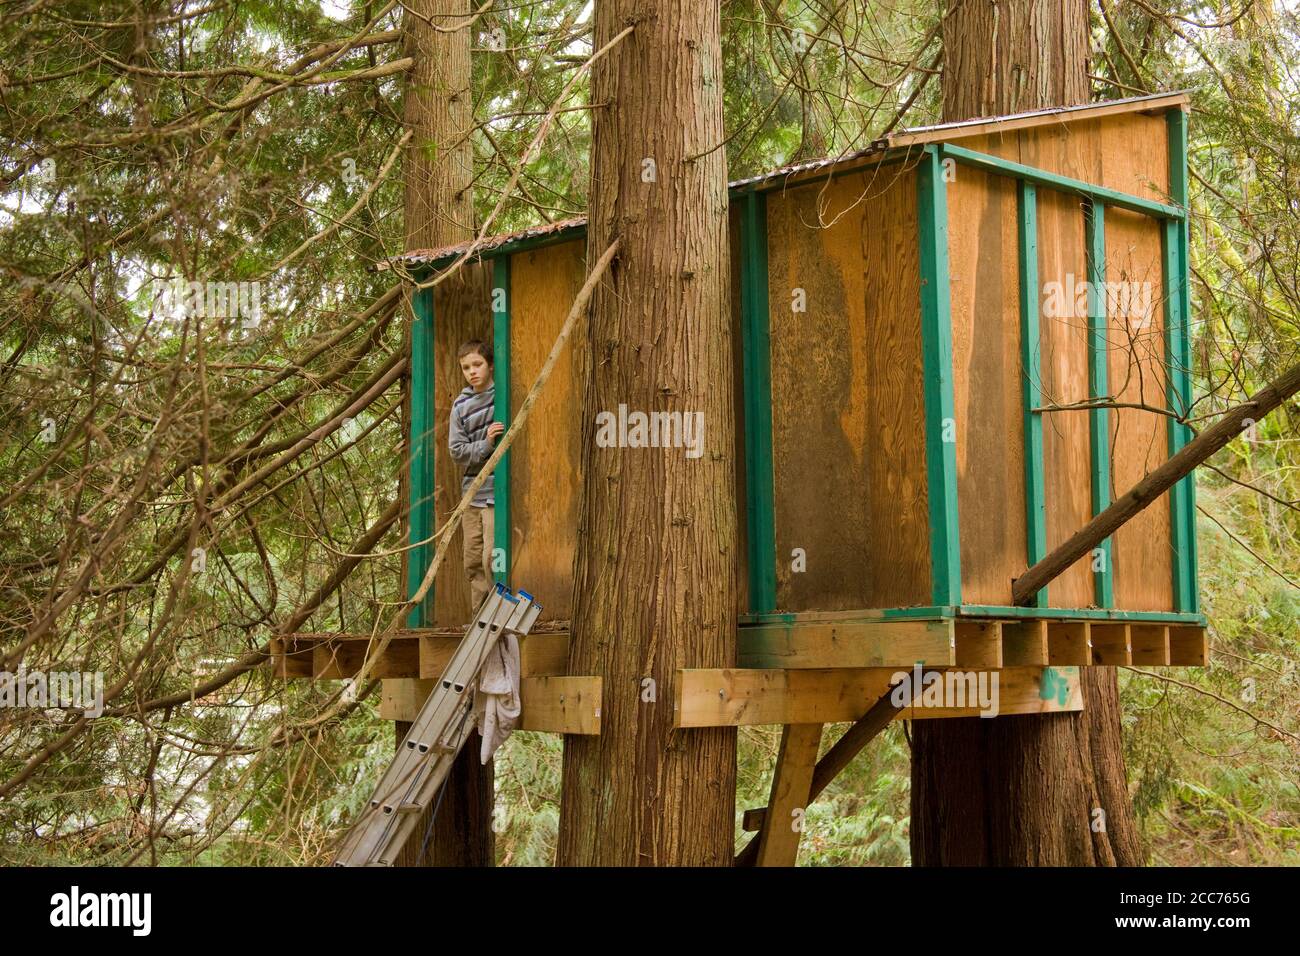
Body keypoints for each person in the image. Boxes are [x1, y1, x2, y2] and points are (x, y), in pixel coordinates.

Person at [448, 339, 504, 612]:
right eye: (466, 367)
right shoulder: (460, 405)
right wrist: (485, 444)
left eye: (478, 364)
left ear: (491, 366)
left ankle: (497, 616)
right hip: (472, 493)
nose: (472, 371)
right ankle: (479, 621)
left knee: (492, 556)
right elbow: (457, 451)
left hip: (496, 492)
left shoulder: (502, 395)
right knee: (472, 559)